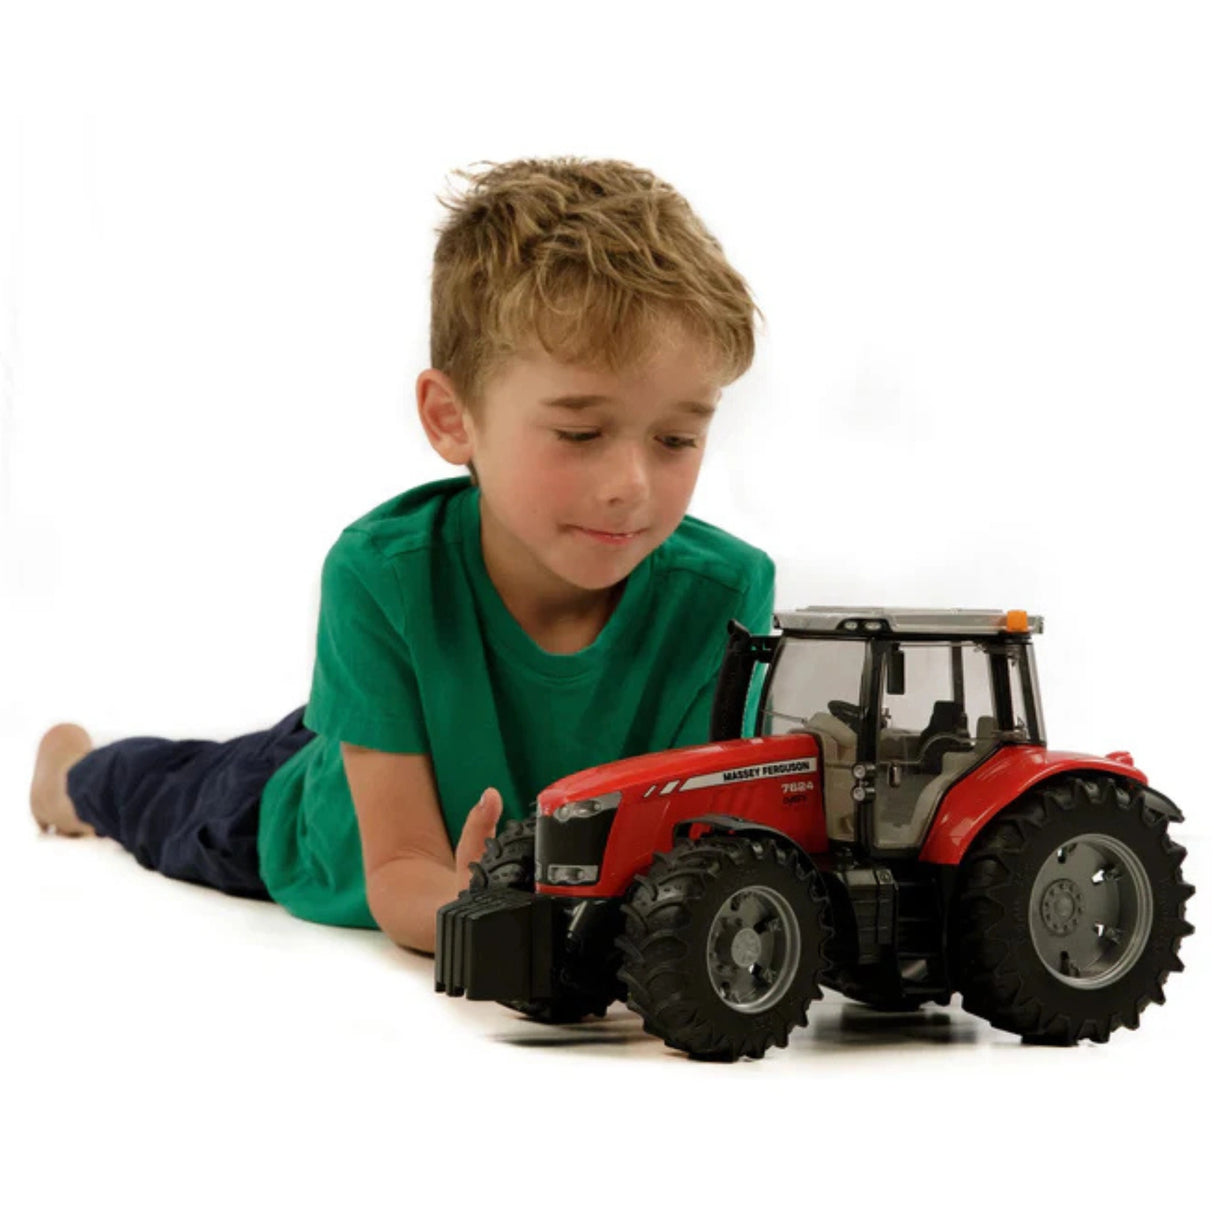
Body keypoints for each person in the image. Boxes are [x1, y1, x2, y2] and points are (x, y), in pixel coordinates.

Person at [29, 156, 775, 956]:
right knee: (164, 796)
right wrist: (493, 916)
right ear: (452, 418)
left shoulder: (729, 592)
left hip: (453, 784)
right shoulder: (380, 575)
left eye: (677, 439)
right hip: (321, 821)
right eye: (580, 434)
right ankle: (70, 770)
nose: (632, 485)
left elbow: (711, 837)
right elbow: (402, 873)